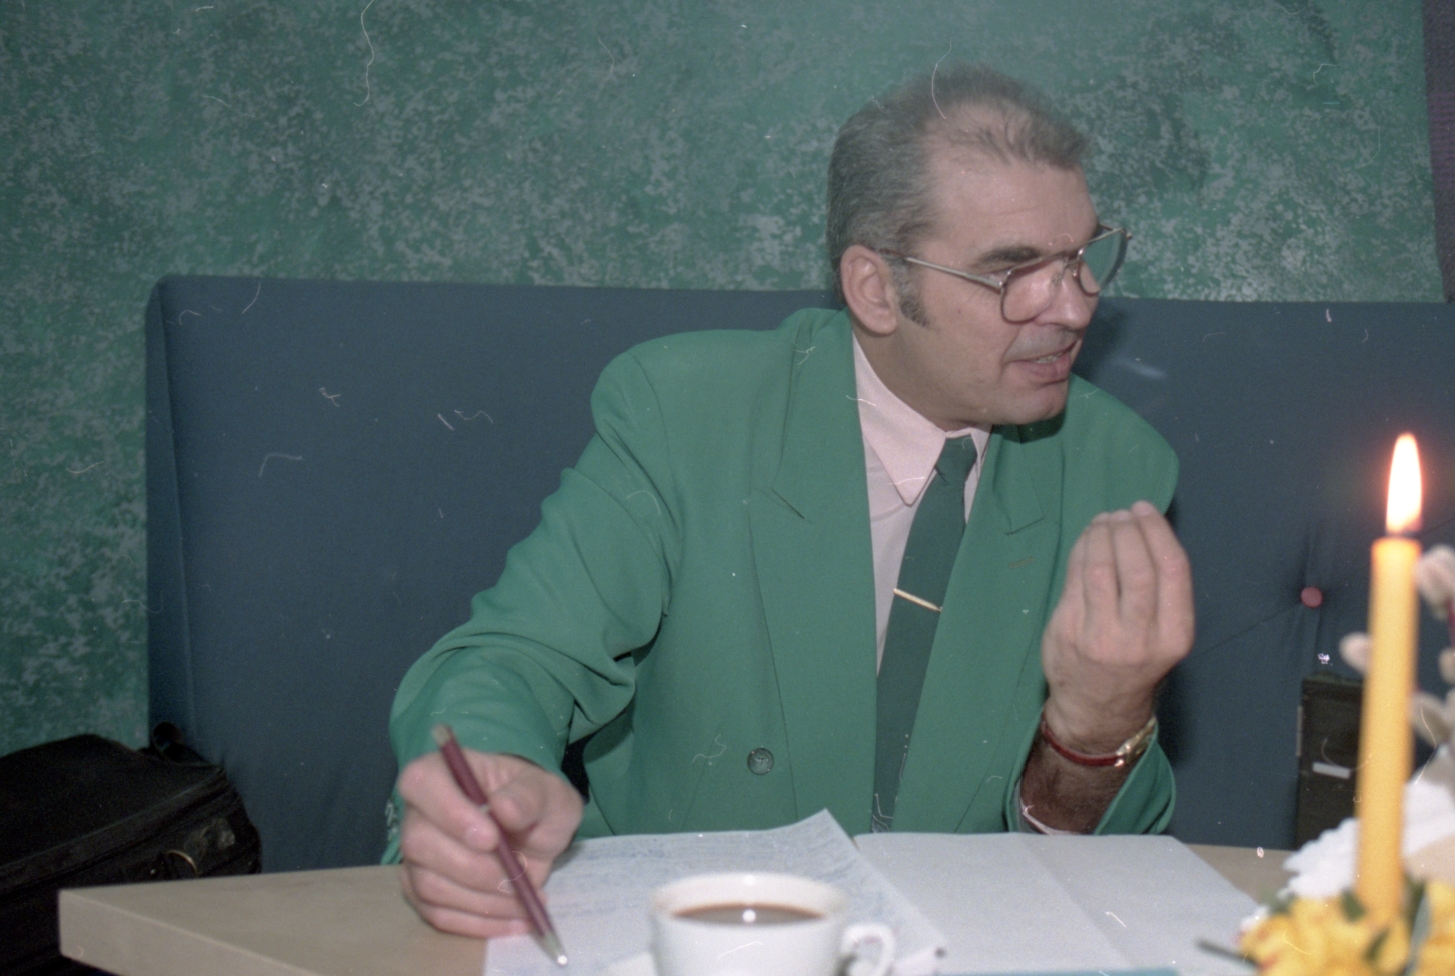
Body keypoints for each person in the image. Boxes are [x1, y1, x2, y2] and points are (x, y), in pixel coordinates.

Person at [388, 62, 1195, 940]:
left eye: (1080, 259)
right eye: (1014, 272)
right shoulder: (687, 414)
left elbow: (1102, 868)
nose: (1072, 307)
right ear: (876, 289)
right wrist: (493, 789)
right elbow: (512, 661)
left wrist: (1097, 728)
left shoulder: (1117, 469)